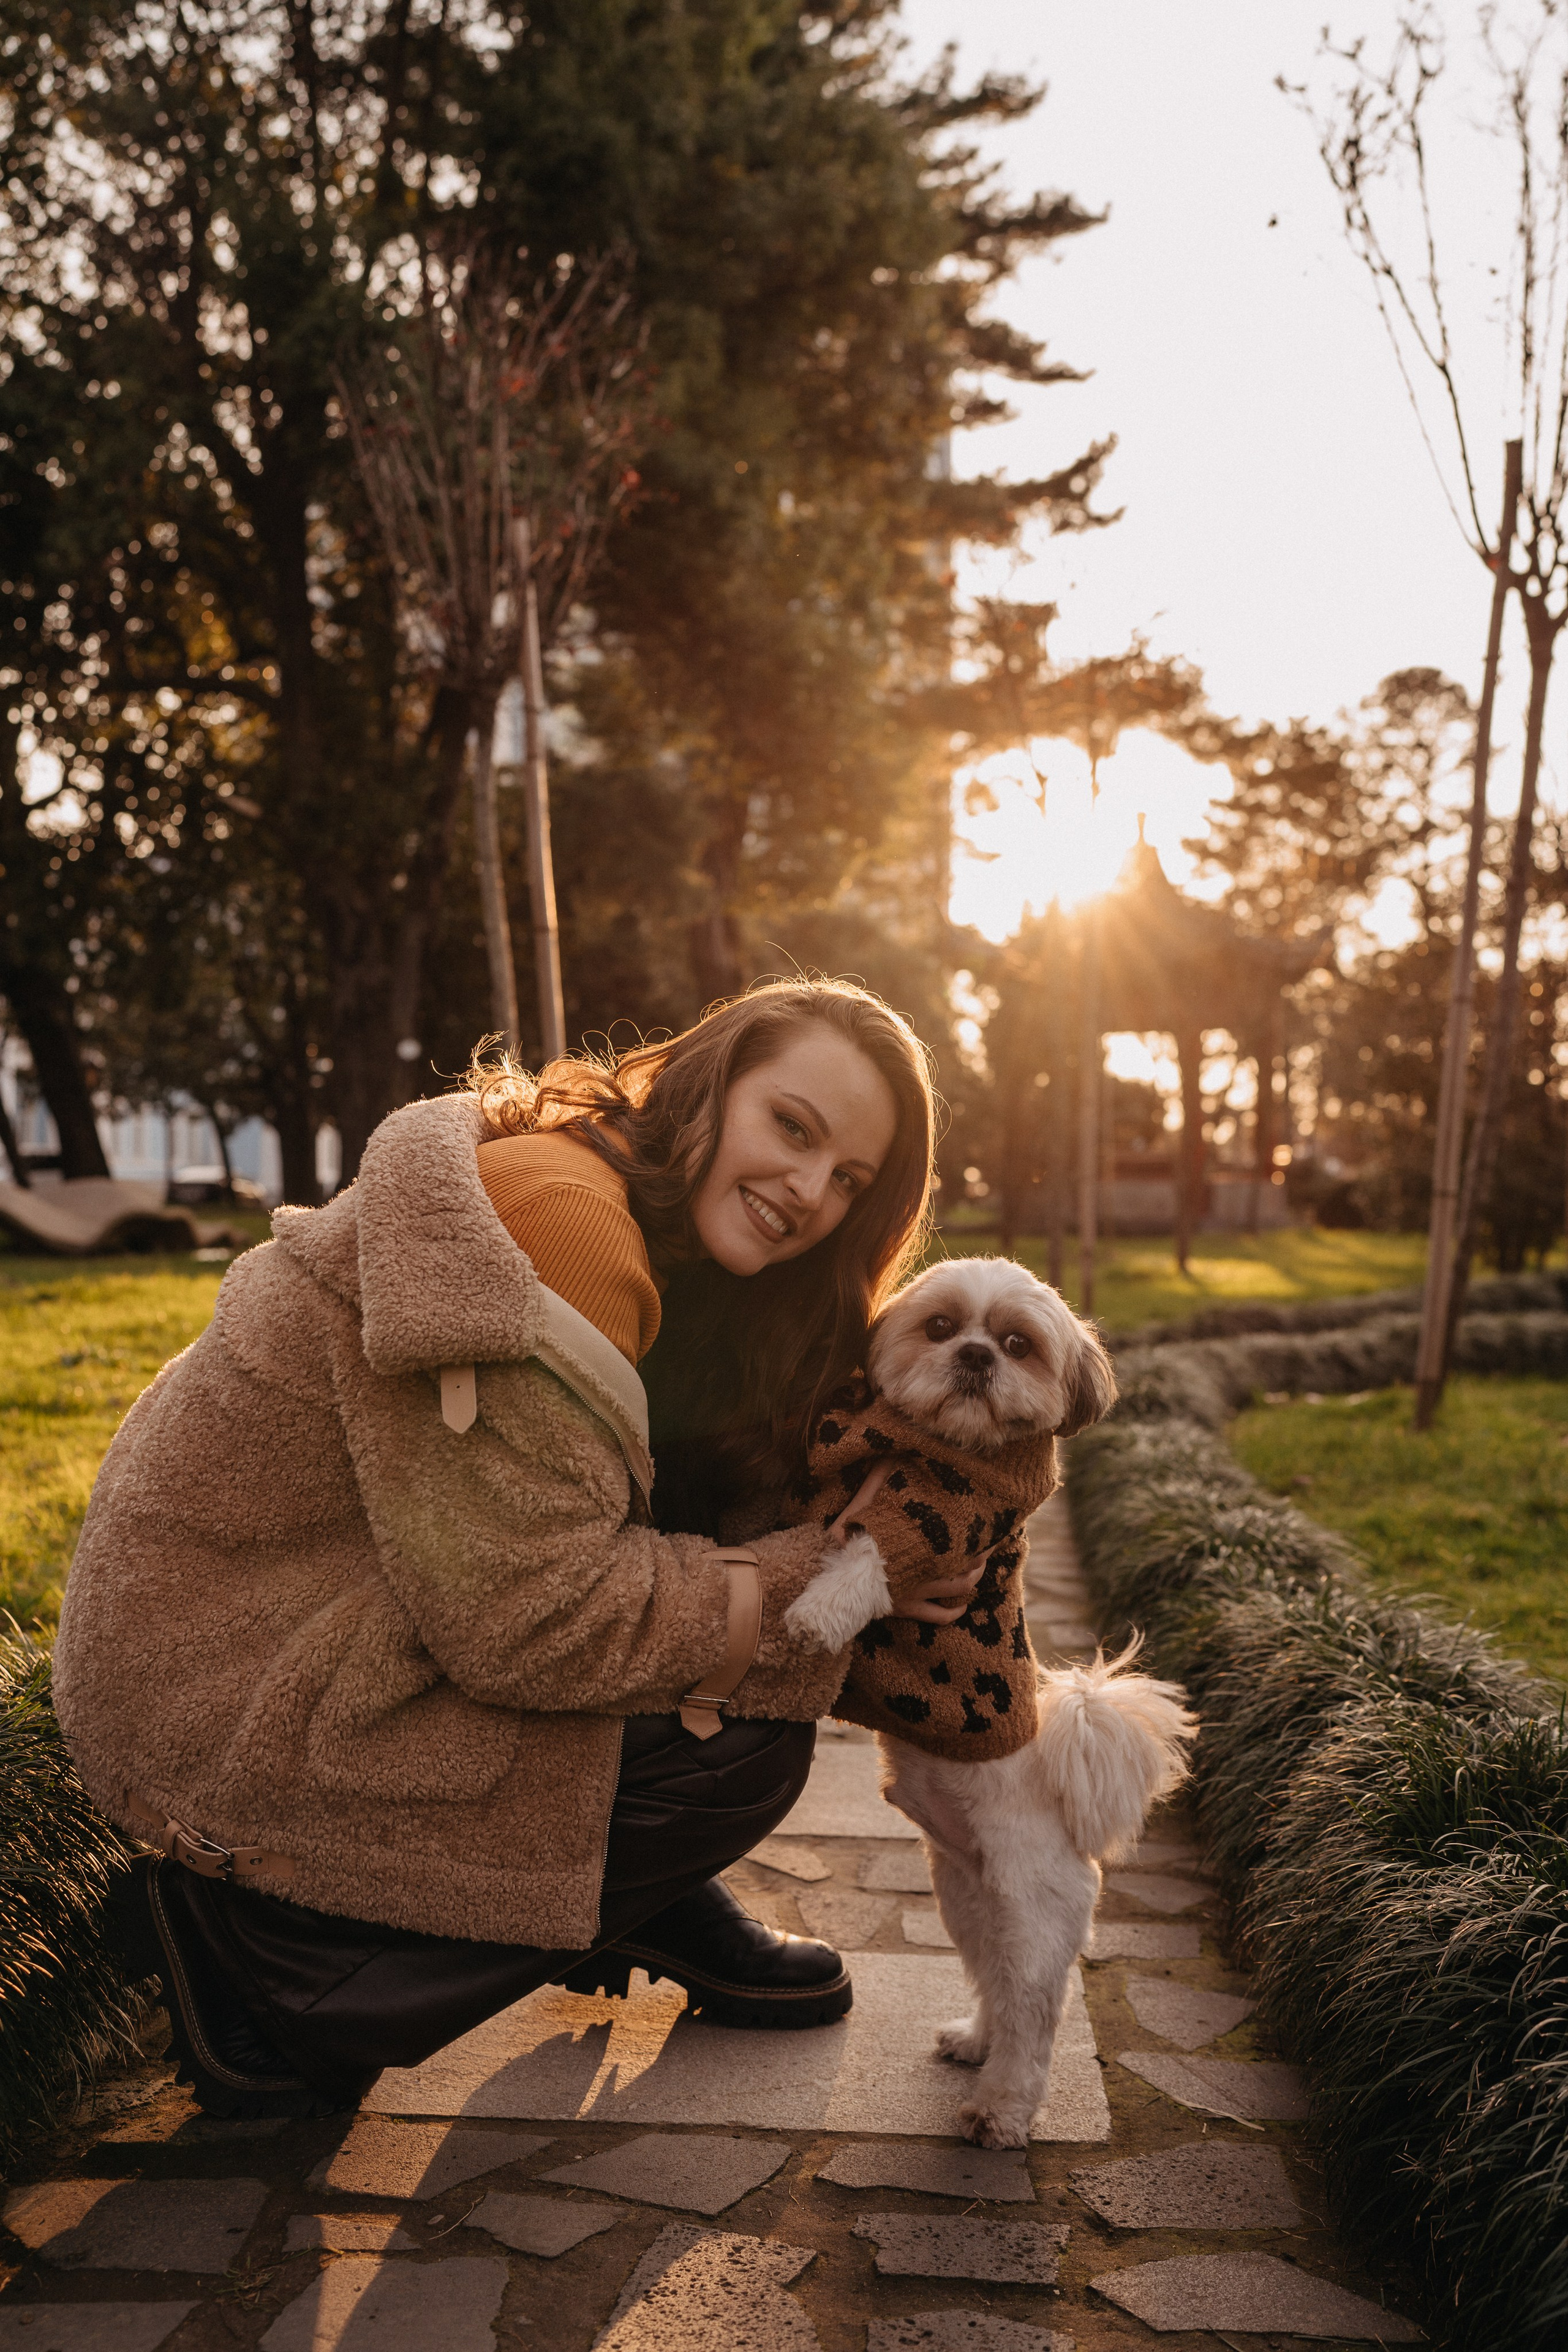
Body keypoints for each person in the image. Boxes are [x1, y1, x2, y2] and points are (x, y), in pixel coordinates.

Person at [53, 980, 986, 2117]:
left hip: (331, 1620)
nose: (809, 1192)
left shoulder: (660, 1229)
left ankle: (617, 1899)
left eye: (849, 1181)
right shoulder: (568, 1222)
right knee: (734, 1746)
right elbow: (538, 1620)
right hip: (222, 1692)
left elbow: (626, 1524)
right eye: (793, 1127)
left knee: (710, 1630)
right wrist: (848, 1581)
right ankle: (268, 1962)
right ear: (703, 1085)